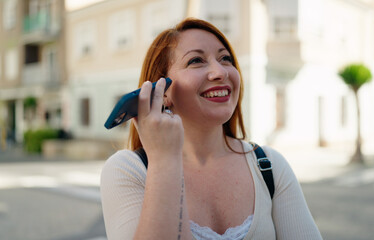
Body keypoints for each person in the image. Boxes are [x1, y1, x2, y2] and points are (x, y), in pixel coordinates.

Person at [100, 18, 322, 240]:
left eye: (225, 58)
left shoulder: (270, 166)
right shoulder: (127, 170)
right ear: (162, 91)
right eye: (196, 60)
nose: (220, 72)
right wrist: (164, 161)